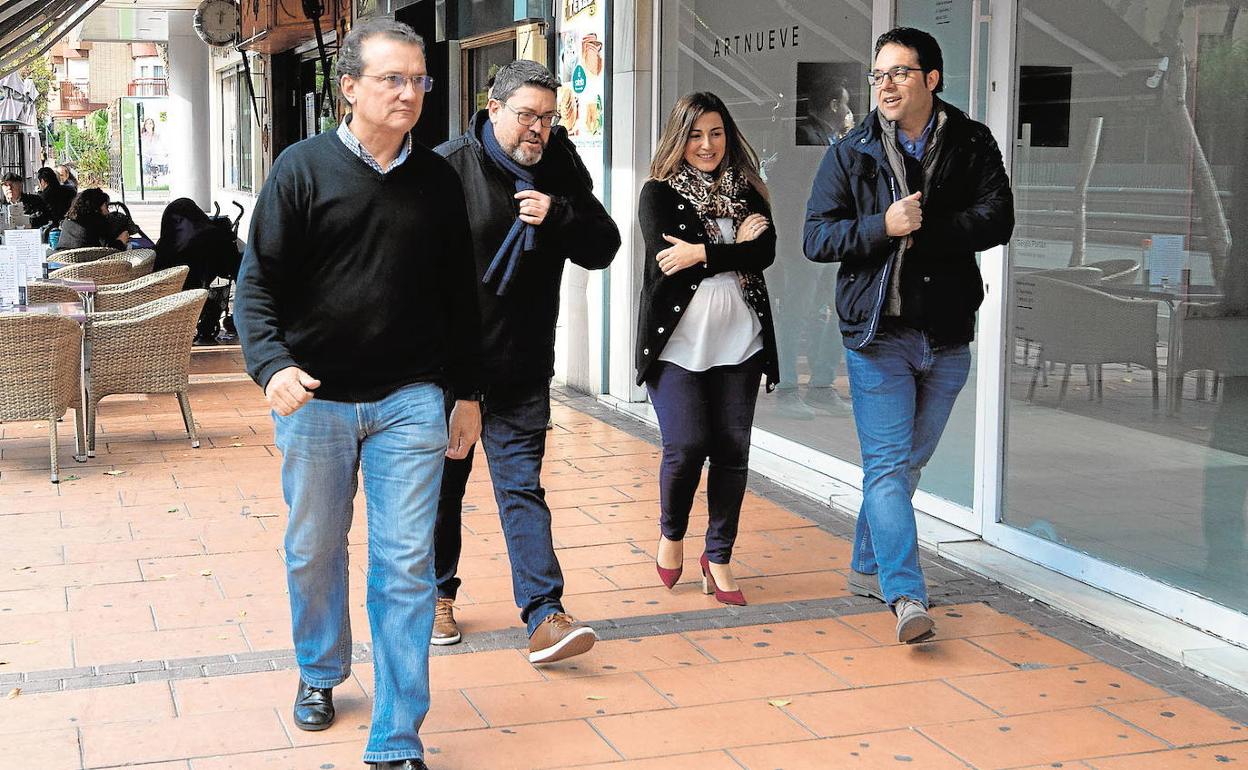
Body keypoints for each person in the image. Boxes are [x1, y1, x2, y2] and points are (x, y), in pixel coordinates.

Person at [234, 18, 482, 770]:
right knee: (312, 549)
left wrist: (466, 392)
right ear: (349, 88)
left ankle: (397, 736)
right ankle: (319, 669)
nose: (411, 93)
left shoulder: (438, 179)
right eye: (393, 79)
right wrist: (271, 365)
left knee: (405, 564)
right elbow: (256, 288)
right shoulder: (301, 170)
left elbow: (461, 297)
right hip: (317, 400)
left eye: (419, 80)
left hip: (411, 399)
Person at [804, 27, 1014, 643]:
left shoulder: (972, 141)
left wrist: (930, 230)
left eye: (900, 73)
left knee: (903, 466)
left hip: (946, 334)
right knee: (891, 467)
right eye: (879, 75)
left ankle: (866, 565)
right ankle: (906, 595)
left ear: (932, 79)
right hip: (878, 334)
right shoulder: (852, 150)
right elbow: (816, 236)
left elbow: (999, 218)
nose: (887, 85)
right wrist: (883, 225)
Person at [431, 59, 620, 663]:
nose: (538, 130)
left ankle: (545, 615)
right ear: (495, 111)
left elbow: (604, 244)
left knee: (521, 490)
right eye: (526, 117)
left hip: (522, 365)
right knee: (443, 490)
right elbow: (421, 279)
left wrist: (559, 215)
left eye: (548, 117)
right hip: (451, 372)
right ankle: (438, 593)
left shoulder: (561, 168)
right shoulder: (447, 168)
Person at [636, 91, 779, 607]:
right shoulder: (658, 194)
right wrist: (726, 248)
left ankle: (718, 556)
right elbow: (670, 257)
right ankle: (671, 532)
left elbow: (765, 251)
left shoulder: (748, 190)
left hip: (741, 342)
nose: (707, 144)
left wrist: (706, 251)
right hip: (677, 347)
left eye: (716, 133)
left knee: (733, 452)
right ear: (680, 138)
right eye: (696, 134)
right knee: (687, 445)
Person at [155, 197, 242, 344]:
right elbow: (230, 265)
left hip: (174, 289)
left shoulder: (169, 242)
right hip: (201, 279)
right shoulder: (213, 235)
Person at [55, 188, 129, 251]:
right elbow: (108, 250)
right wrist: (121, 241)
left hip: (65, 263)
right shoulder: (97, 222)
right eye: (106, 206)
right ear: (97, 206)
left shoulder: (68, 220)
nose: (108, 211)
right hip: (90, 264)